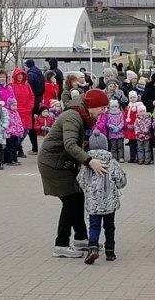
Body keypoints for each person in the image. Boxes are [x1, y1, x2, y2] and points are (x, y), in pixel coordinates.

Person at [39, 87, 109, 258]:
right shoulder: (73, 116)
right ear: (92, 106)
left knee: (77, 198)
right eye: (102, 108)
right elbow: (70, 144)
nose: (103, 111)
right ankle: (61, 244)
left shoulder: (81, 114)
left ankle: (80, 238)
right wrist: (89, 161)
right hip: (54, 164)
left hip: (63, 163)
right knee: (71, 202)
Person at [78, 132, 128, 264]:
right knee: (109, 226)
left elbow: (81, 181)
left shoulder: (87, 163)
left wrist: (88, 190)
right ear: (106, 145)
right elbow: (121, 182)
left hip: (93, 203)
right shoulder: (112, 162)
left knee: (94, 225)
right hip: (109, 203)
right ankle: (110, 251)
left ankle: (93, 248)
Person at [10, 68, 35, 157]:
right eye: (18, 75)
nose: (20, 76)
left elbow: (31, 96)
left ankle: (17, 148)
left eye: (22, 75)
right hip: (17, 112)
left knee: (25, 130)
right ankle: (17, 149)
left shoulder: (27, 85)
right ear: (15, 76)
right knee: (18, 131)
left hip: (27, 112)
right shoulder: (12, 86)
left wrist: (31, 106)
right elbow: (11, 98)